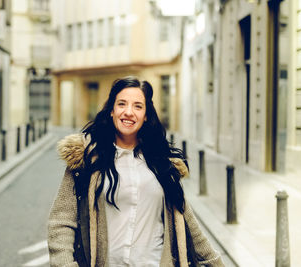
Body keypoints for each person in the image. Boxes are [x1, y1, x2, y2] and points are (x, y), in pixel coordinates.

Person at [48, 76, 224, 267]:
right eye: (122, 104)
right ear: (112, 111)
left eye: (138, 106)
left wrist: (215, 262)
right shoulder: (86, 158)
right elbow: (61, 221)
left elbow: (188, 221)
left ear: (146, 114)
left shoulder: (162, 163)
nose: (129, 112)